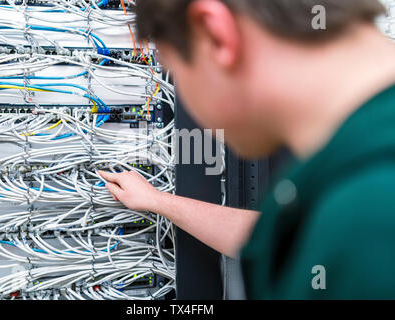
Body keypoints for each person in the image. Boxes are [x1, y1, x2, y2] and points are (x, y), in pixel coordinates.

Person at [98, 0, 395, 299]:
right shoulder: (353, 181)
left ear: (215, 35)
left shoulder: (366, 213)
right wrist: (157, 201)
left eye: (175, 74)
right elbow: (275, 236)